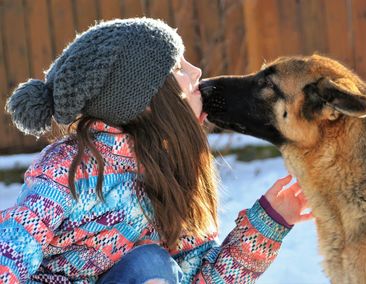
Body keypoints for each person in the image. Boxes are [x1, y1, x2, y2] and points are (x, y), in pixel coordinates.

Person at [1, 18, 312, 284]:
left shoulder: (170, 176)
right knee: (149, 264)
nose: (197, 72)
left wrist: (269, 222)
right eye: (179, 67)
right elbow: (13, 248)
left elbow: (203, 277)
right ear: (145, 102)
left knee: (152, 264)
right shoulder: (69, 168)